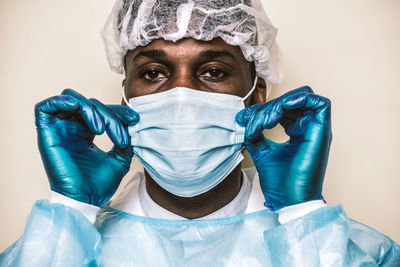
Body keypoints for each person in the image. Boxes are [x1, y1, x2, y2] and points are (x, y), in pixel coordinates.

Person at [1, 0, 399, 266]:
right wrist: (72, 208)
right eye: (153, 73)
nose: (181, 96)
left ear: (256, 96)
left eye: (214, 72)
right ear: (125, 97)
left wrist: (302, 214)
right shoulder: (52, 248)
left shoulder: (360, 254)